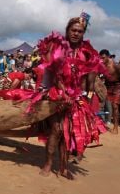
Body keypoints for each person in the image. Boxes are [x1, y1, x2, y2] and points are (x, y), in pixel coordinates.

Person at [36, 14, 106, 179]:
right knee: (57, 130)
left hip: (76, 97)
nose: (76, 33)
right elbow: (53, 73)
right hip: (56, 93)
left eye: (80, 31)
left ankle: (63, 167)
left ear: (84, 33)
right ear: (67, 31)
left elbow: (89, 80)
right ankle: (48, 163)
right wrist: (63, 92)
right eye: (73, 30)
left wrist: (86, 97)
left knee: (70, 132)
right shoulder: (58, 48)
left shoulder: (87, 53)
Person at [100, 50, 120, 134]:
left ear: (108, 57)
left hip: (119, 86)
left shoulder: (116, 66)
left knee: (115, 106)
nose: (102, 59)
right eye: (100, 58)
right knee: (106, 105)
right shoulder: (102, 65)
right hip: (108, 86)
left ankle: (115, 127)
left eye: (103, 58)